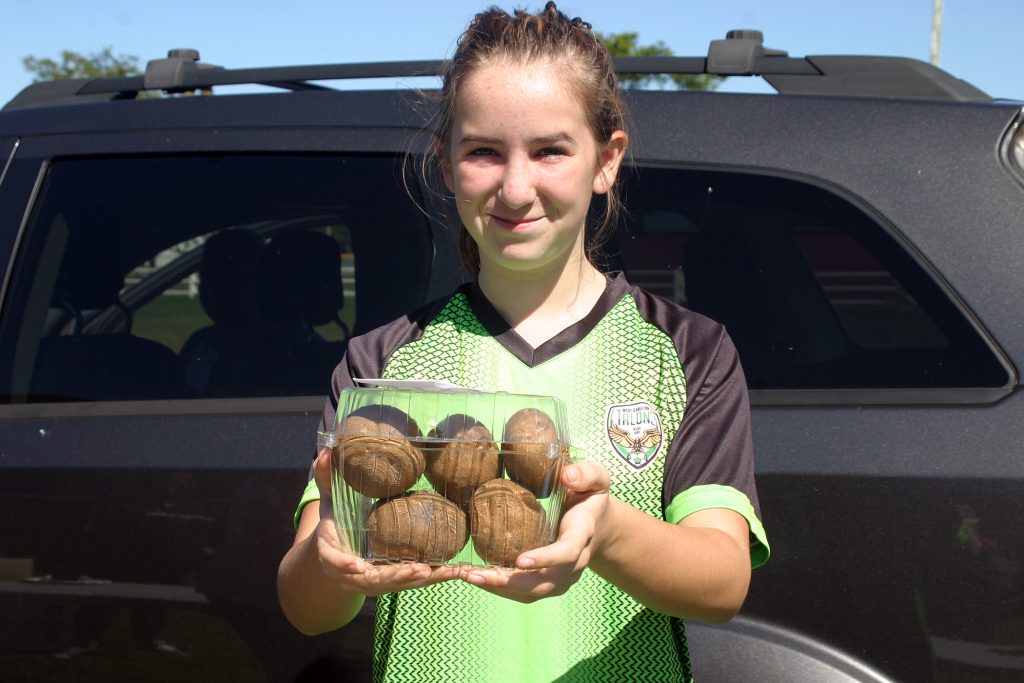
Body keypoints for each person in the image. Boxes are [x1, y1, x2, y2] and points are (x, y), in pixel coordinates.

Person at [277, 3, 770, 681]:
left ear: (606, 160)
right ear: (447, 166)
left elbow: (722, 581)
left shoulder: (685, 350)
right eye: (483, 151)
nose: (515, 186)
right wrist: (330, 558)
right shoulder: (381, 362)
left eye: (549, 150)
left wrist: (605, 531)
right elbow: (307, 609)